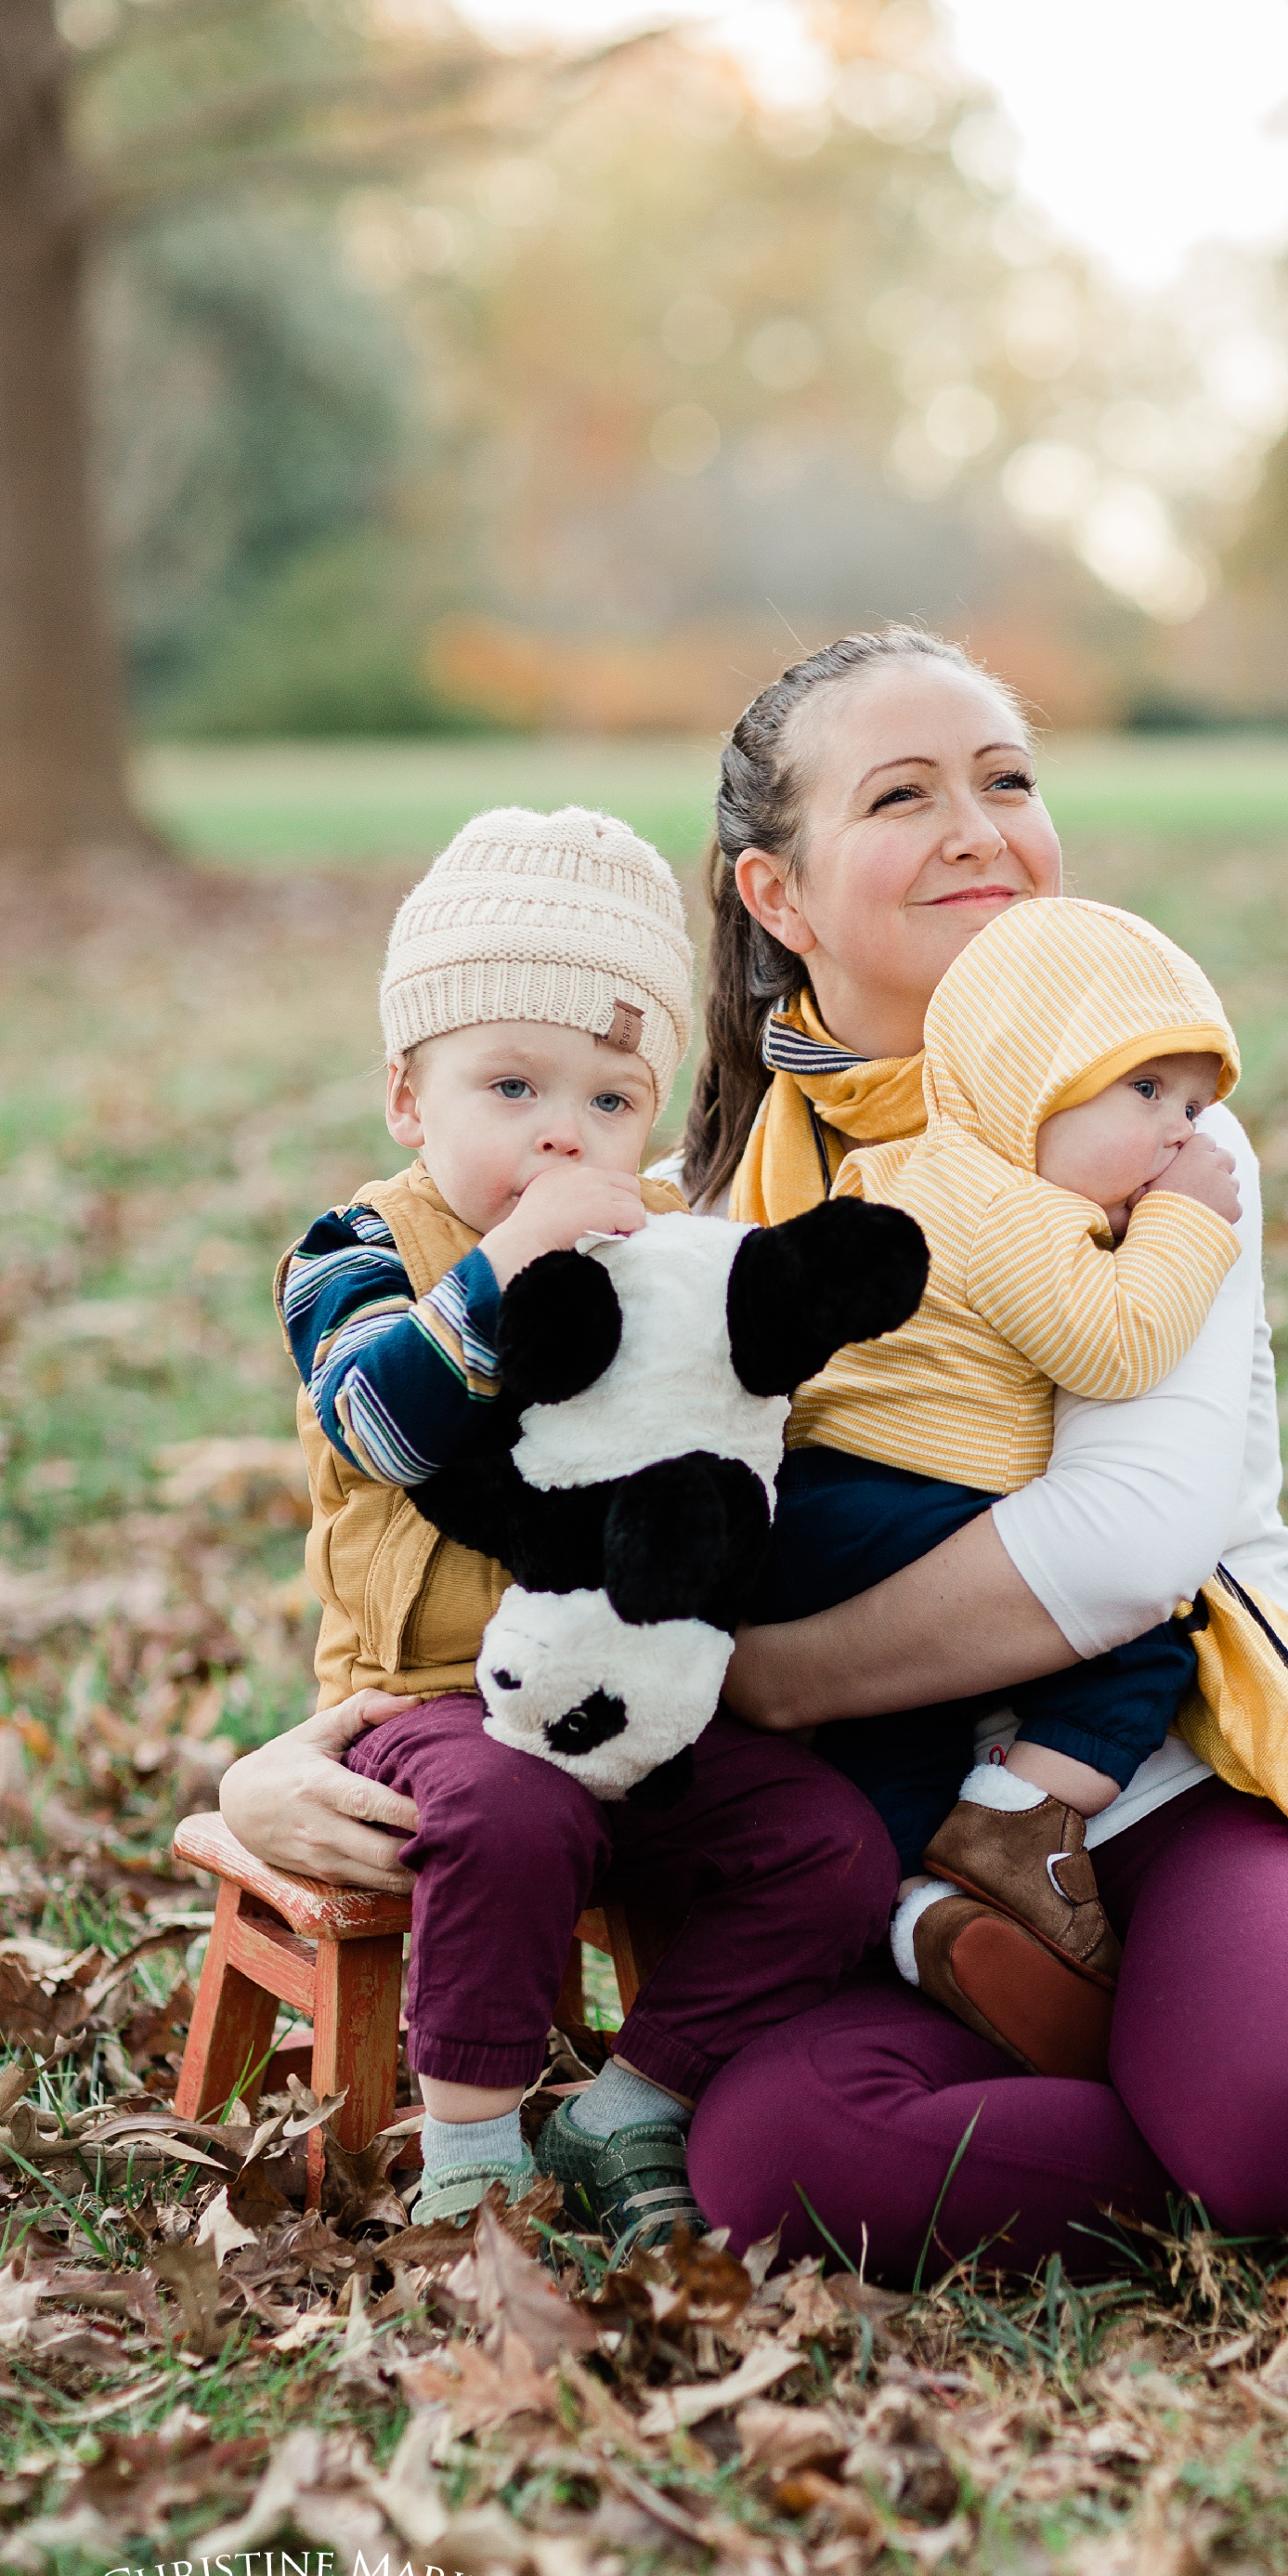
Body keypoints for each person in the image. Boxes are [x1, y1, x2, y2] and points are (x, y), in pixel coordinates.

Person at [230, 630, 1288, 2282]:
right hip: (891, 1857)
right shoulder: (685, 1196)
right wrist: (283, 1763)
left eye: (1005, 779)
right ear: (774, 897)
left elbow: (1125, 1543)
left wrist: (764, 1682)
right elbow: (505, 1518)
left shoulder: (1149, 1126)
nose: (975, 827)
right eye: (901, 794)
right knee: (777, 2167)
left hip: (1155, 1775)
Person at [272, 804, 897, 2243]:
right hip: (430, 1704)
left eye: (613, 1101)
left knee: (830, 1845)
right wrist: (507, 1260)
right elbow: (381, 1418)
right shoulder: (358, 1248)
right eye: (510, 1084)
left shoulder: (661, 1247)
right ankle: (476, 2137)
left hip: (645, 1690)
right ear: (408, 1100)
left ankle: (637, 2098)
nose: (565, 1130)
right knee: (513, 1807)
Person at [754, 892, 1245, 2043]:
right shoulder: (999, 1198)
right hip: (896, 1495)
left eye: (1192, 1104)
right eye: (1145, 1091)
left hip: (821, 1517)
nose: (1183, 1134)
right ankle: (1015, 1826)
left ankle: (913, 1909)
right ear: (1027, 1080)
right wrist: (1185, 1229)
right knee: (1139, 1641)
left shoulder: (906, 1170)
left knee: (900, 1729)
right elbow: (1114, 1345)